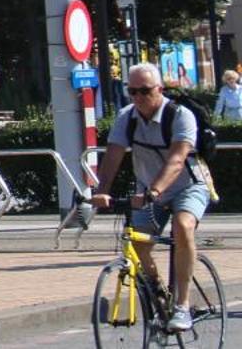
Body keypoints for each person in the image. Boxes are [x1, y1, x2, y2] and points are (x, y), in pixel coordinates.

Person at [90, 61, 212, 333]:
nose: (138, 98)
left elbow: (178, 159)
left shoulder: (180, 116)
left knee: (182, 227)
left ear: (159, 89)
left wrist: (154, 192)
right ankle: (158, 295)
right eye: (132, 91)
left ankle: (181, 305)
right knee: (138, 246)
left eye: (144, 91)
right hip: (148, 191)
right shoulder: (127, 116)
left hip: (187, 186)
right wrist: (102, 190)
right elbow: (113, 156)